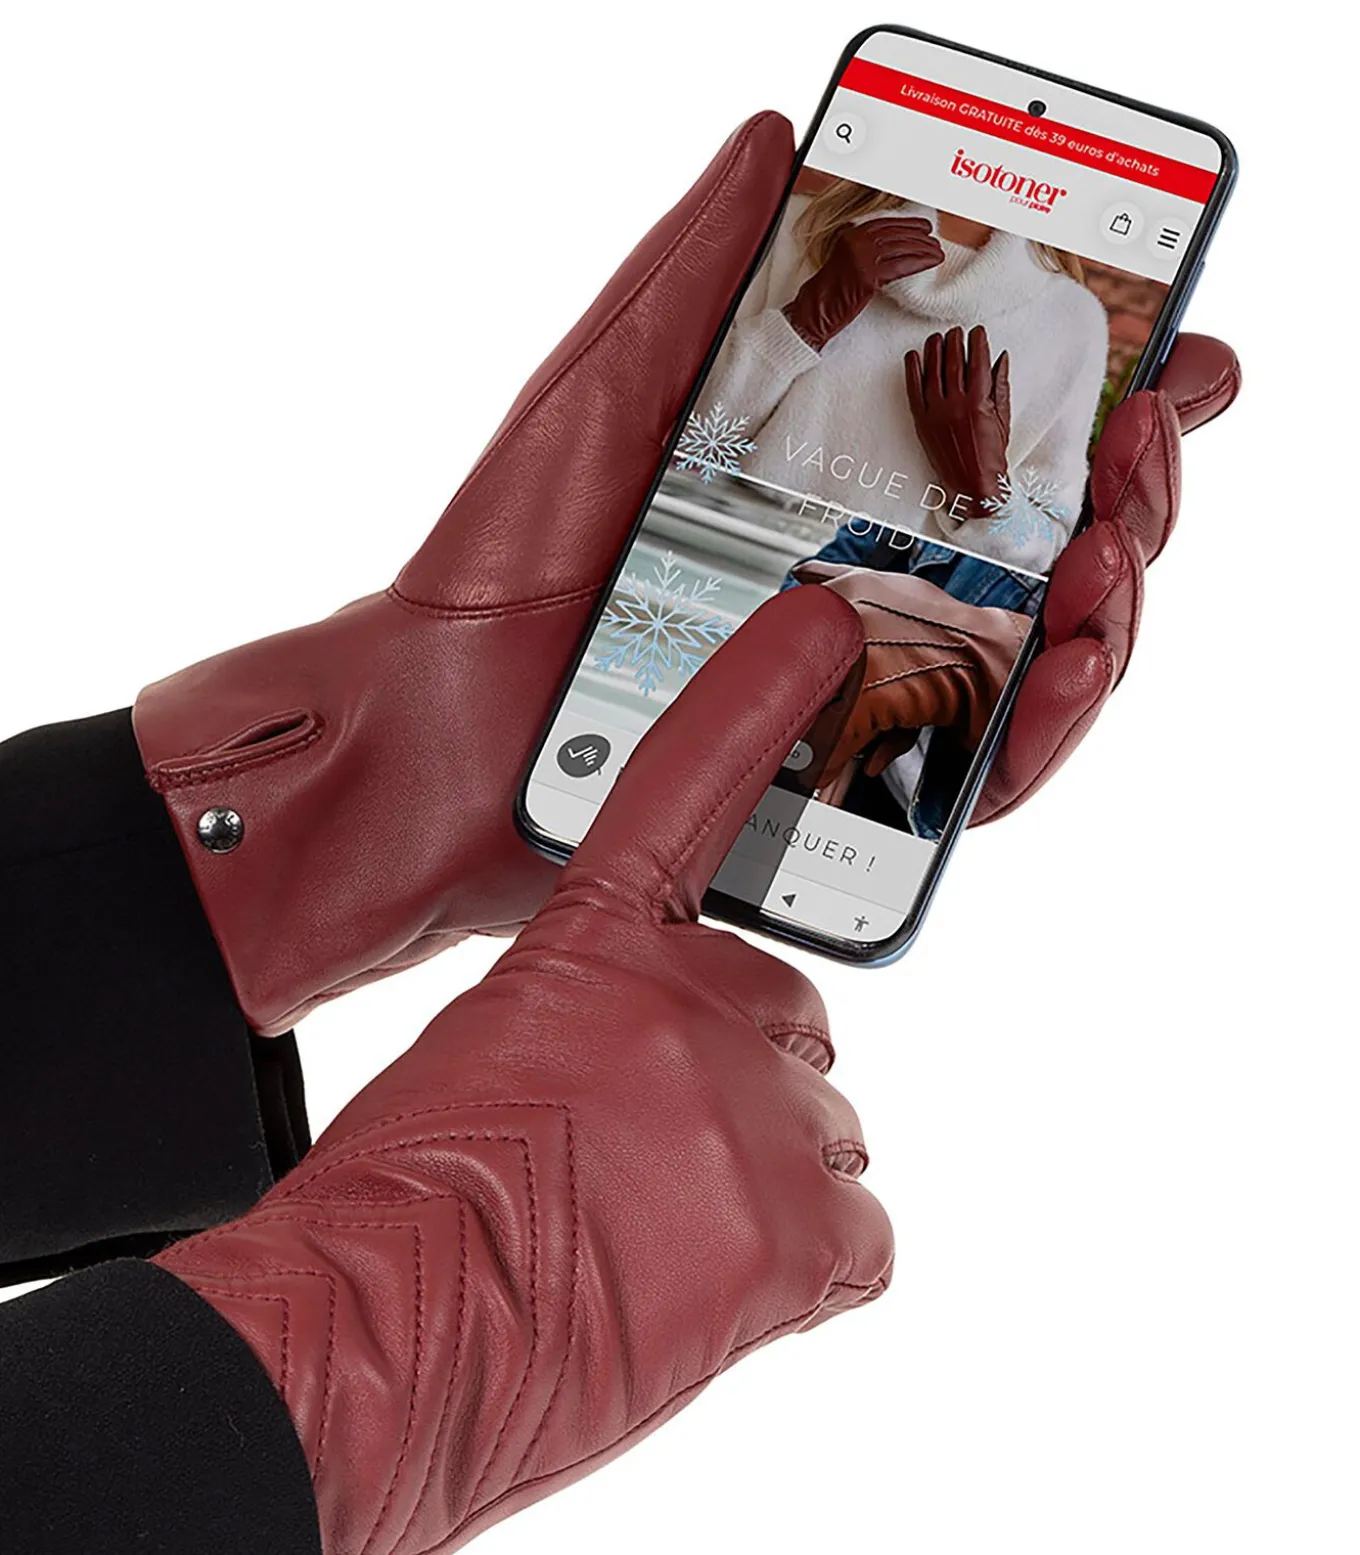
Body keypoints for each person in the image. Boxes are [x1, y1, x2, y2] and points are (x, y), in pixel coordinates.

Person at [0, 113, 1239, 1551]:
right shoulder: (825, 257)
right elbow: (728, 453)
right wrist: (415, 1313)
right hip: (731, 624)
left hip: (861, 660)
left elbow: (1014, 536)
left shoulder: (1059, 322)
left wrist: (323, 815)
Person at [704, 173, 1110, 575]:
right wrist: (801, 323)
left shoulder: (1072, 321)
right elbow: (693, 436)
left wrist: (985, 490)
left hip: (869, 600)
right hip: (711, 544)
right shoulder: (798, 229)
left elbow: (1043, 550)